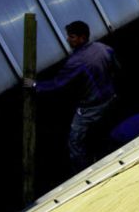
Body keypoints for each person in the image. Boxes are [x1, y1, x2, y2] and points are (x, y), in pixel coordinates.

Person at [28, 21, 120, 169]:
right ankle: (107, 157)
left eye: (71, 37)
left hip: (90, 107)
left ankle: (83, 174)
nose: (68, 40)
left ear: (81, 38)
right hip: (110, 99)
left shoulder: (76, 62)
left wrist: (33, 85)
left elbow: (57, 84)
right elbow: (116, 69)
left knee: (75, 141)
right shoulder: (104, 49)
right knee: (104, 132)